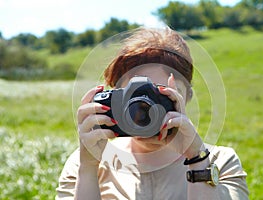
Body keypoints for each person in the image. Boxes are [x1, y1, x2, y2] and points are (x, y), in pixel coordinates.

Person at [56, 27, 249, 200]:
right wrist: (88, 169)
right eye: (136, 98)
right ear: (117, 100)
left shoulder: (219, 161)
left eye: (162, 95)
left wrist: (197, 160)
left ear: (186, 97)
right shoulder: (86, 162)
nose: (148, 109)